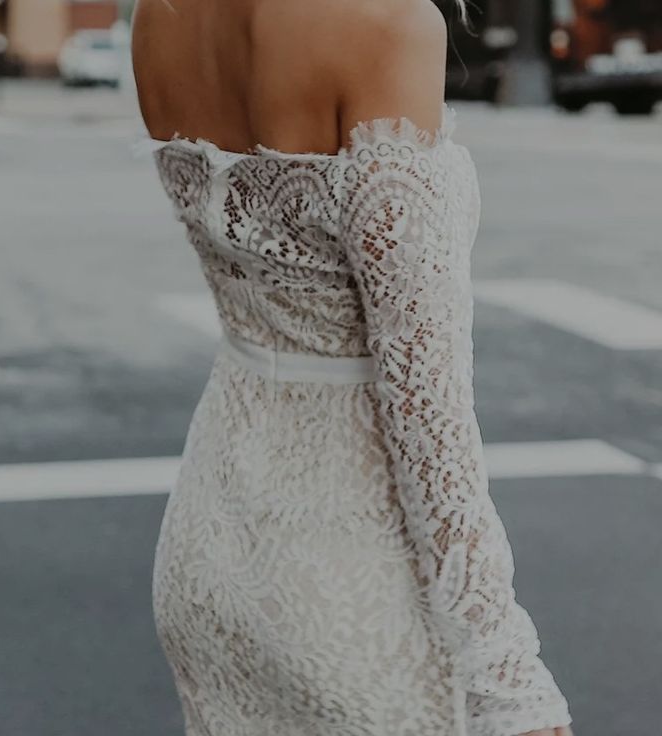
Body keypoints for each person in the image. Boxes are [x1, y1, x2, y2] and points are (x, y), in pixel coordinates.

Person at [131, 1, 574, 734]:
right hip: (348, 576)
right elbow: (427, 410)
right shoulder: (387, 24)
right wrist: (509, 679)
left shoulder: (162, 14)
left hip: (206, 546)